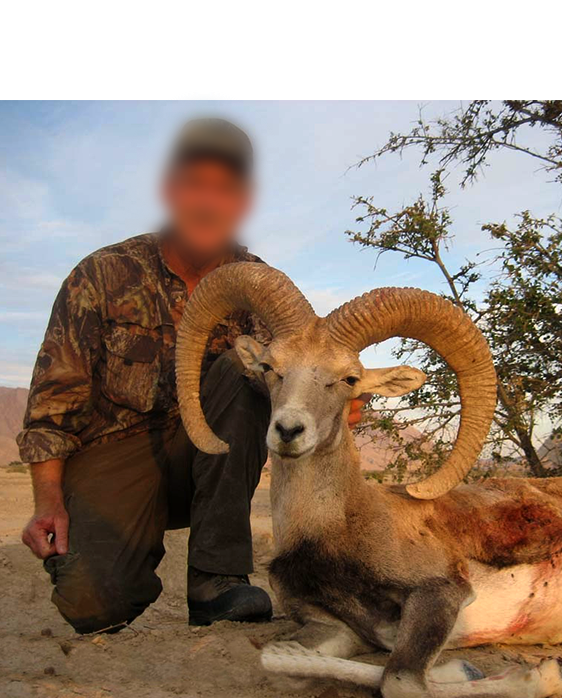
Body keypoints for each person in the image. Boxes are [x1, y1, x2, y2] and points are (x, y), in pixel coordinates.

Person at [18, 117, 365, 633]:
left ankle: (216, 580)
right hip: (117, 456)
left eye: (224, 189)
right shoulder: (103, 274)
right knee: (92, 605)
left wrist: (343, 395)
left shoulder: (267, 293)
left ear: (244, 201)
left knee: (245, 370)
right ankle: (118, 558)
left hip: (213, 458)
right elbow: (54, 401)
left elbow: (307, 370)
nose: (207, 201)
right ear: (170, 191)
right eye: (193, 185)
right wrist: (48, 501)